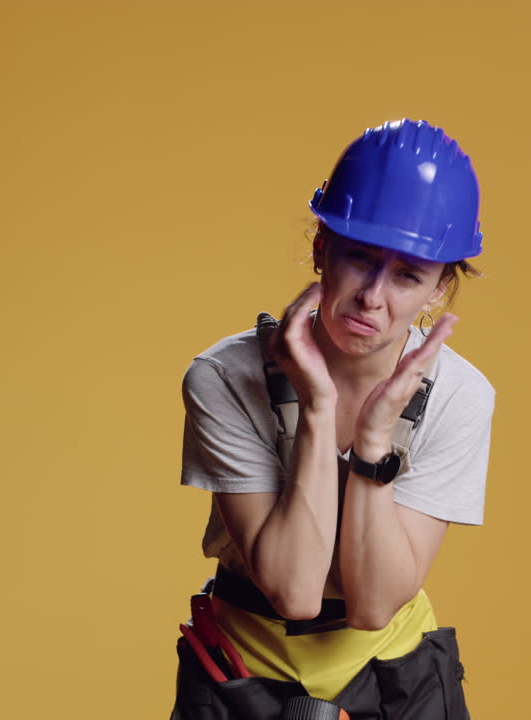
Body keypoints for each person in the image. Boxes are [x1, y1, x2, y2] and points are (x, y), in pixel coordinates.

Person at [171, 119, 494, 720]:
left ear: (438, 292)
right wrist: (316, 409)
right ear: (322, 249)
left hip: (396, 670)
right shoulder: (224, 378)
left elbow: (373, 605)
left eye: (407, 275)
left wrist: (374, 442)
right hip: (244, 665)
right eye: (360, 259)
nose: (374, 296)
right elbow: (294, 589)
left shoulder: (459, 396)